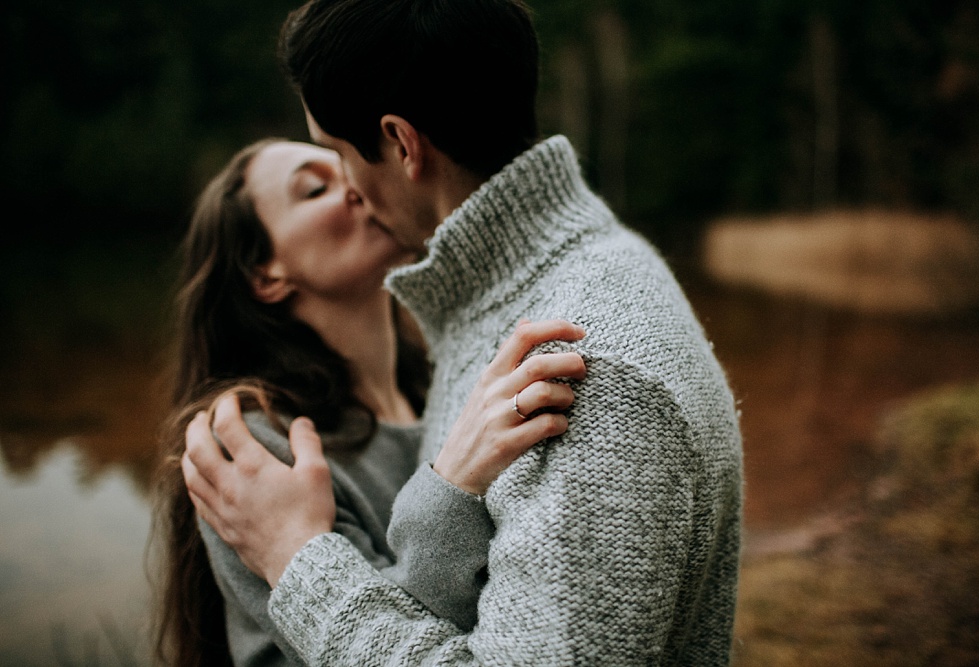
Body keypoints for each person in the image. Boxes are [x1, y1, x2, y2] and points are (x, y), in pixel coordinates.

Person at [184, 0, 745, 664]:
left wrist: (298, 561)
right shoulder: (499, 321)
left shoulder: (583, 365)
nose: (350, 190)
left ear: (400, 142)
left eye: (338, 153)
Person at [153, 137, 587, 666]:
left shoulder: (437, 388)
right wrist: (452, 486)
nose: (355, 186)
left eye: (346, 167)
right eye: (316, 188)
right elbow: (381, 641)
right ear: (266, 275)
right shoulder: (258, 443)